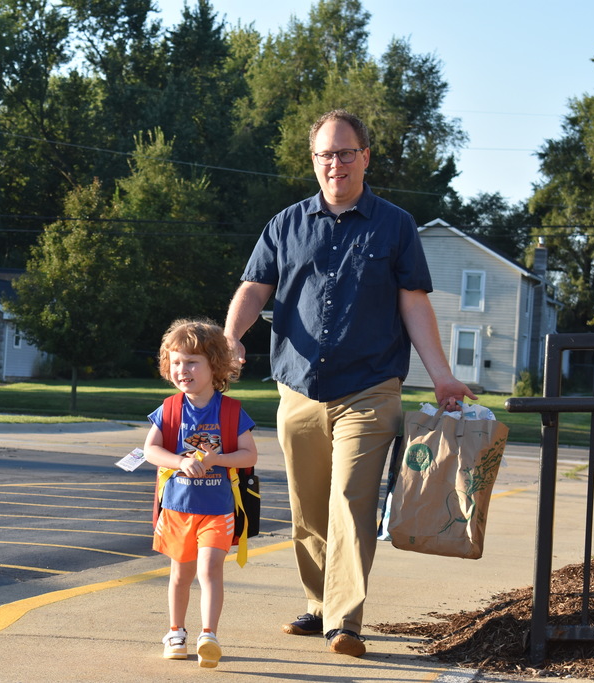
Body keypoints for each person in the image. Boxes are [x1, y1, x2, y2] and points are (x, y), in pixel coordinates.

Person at [223, 109, 476, 658]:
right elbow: (254, 287)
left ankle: (345, 620)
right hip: (298, 389)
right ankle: (318, 604)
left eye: (344, 152)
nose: (334, 163)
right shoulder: (284, 225)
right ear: (312, 160)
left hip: (370, 389)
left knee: (350, 501)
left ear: (365, 157)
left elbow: (413, 301)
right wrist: (231, 336)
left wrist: (440, 376)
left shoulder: (395, 225)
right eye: (324, 154)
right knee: (309, 508)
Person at [143, 318, 258, 668]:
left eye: (192, 361)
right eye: (176, 362)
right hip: (177, 509)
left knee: (210, 570)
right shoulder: (170, 409)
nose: (183, 369)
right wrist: (179, 462)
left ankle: (209, 635)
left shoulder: (231, 411)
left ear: (216, 366)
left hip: (218, 509)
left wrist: (218, 459)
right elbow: (150, 450)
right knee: (181, 574)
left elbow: (249, 454)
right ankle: (176, 632)